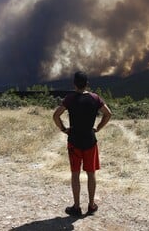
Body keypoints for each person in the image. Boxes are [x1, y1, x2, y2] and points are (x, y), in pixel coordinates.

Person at [53, 71, 112, 217]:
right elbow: (108, 113)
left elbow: (55, 115)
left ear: (74, 84)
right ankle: (91, 205)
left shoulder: (70, 98)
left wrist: (63, 129)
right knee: (91, 174)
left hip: (74, 141)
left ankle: (76, 207)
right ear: (87, 83)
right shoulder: (94, 98)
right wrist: (97, 128)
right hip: (90, 141)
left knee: (75, 174)